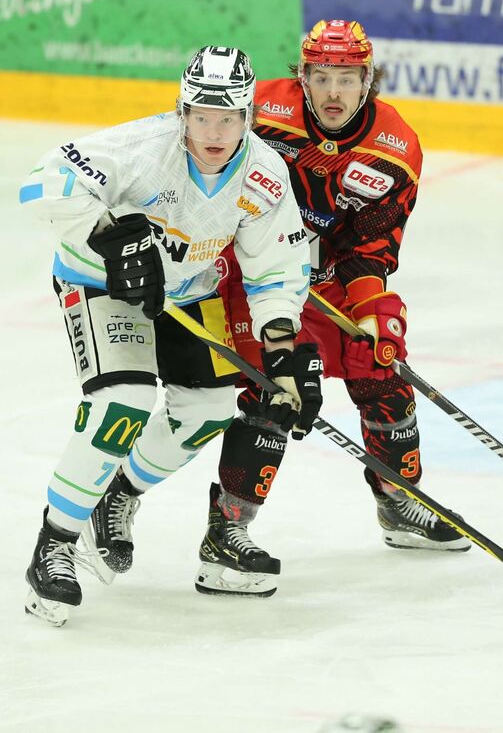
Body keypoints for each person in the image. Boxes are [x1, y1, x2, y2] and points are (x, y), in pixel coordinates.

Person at [20, 45, 323, 626]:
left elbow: (275, 272)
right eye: (202, 116)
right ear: (181, 113)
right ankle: (54, 544)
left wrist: (281, 357)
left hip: (188, 293)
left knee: (209, 408)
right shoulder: (140, 149)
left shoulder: (263, 175)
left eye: (229, 118)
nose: (214, 131)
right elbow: (39, 184)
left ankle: (119, 494)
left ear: (250, 117)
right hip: (100, 285)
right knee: (123, 401)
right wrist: (110, 234)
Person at [196, 19, 470, 594]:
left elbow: (371, 246)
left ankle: (399, 500)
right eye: (321, 77)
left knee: (382, 368)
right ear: (303, 78)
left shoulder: (395, 148)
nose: (334, 93)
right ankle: (227, 532)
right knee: (279, 384)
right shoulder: (258, 111)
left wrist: (373, 310)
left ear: (369, 79)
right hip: (254, 265)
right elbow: (196, 162)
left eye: (347, 78)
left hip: (330, 272)